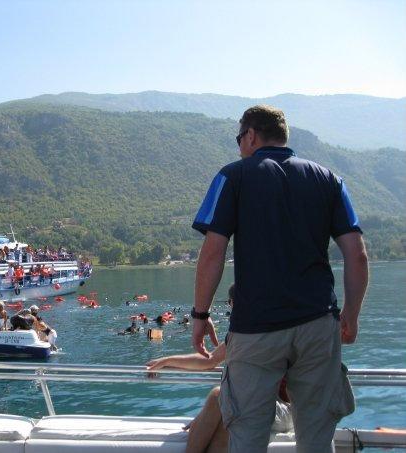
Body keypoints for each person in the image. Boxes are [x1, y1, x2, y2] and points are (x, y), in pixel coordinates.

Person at [190, 105, 368, 453]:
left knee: (247, 435)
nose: (239, 145)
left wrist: (200, 315)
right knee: (317, 439)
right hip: (318, 323)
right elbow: (357, 254)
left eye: (239, 138)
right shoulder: (328, 179)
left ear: (251, 135)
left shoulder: (233, 176)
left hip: (256, 328)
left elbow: (213, 253)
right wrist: (352, 314)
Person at [146, 342, 293, 453]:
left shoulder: (278, 331)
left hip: (279, 408)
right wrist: (166, 361)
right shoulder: (242, 329)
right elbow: (209, 360)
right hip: (241, 404)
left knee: (221, 397)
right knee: (227, 408)